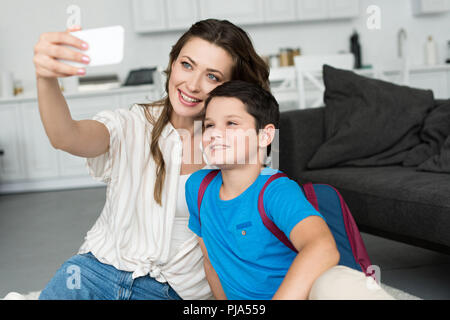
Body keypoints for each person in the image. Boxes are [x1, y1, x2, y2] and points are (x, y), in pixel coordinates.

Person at [32, 19, 269, 300]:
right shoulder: (131, 123)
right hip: (92, 275)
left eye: (212, 76)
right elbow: (65, 137)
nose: (192, 84)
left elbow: (256, 229)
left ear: (232, 87)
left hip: (169, 292)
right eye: (187, 65)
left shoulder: (242, 145)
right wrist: (45, 78)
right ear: (172, 63)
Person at [186, 80, 395, 300]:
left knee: (335, 281)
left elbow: (323, 247)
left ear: (265, 136)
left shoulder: (276, 190)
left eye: (231, 123)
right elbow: (211, 262)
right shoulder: (197, 188)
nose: (215, 134)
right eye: (209, 125)